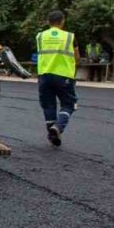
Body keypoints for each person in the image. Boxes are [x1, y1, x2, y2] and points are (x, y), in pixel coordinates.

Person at [36, 10, 79, 147]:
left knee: (48, 105)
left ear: (48, 22)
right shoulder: (70, 37)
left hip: (44, 75)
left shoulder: (40, 36)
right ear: (63, 21)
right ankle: (58, 127)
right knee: (69, 104)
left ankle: (52, 135)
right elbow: (77, 57)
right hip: (64, 75)